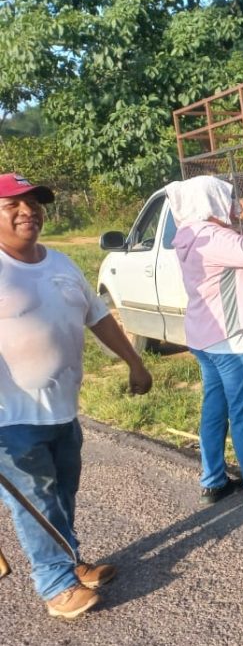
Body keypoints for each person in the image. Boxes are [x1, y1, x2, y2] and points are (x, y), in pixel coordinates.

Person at [0, 173, 152, 618]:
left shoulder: (61, 263)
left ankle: (69, 561)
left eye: (34, 203)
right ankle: (55, 586)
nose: (29, 211)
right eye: (14, 204)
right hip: (10, 415)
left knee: (62, 491)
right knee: (36, 499)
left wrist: (135, 362)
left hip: (63, 408)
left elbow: (97, 315)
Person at [169, 175, 243, 509]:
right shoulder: (214, 237)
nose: (232, 204)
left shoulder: (189, 235)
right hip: (232, 340)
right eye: (226, 198)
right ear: (212, 202)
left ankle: (213, 481)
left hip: (205, 338)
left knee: (215, 409)